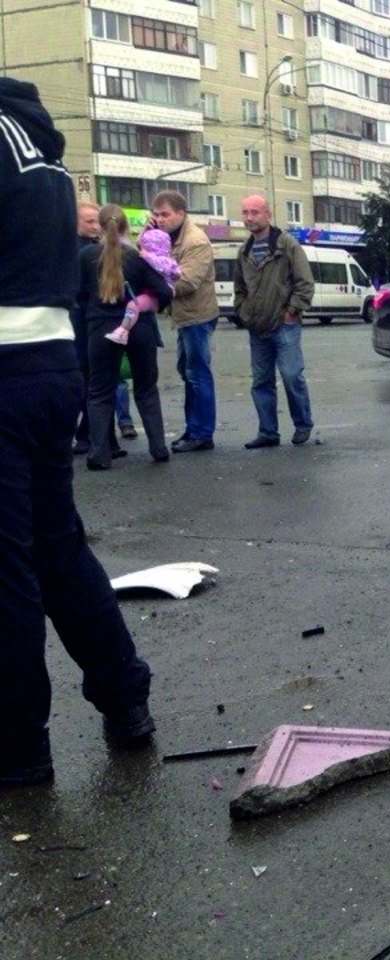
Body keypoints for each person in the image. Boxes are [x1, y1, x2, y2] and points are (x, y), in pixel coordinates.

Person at [0, 79, 155, 786]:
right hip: (51, 366)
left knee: (8, 569)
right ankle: (126, 699)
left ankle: (18, 746)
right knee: (57, 546)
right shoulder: (43, 151)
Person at [77, 205, 172, 469]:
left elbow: (78, 293)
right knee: (146, 388)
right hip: (139, 328)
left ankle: (99, 455)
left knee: (99, 392)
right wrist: (146, 303)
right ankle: (159, 448)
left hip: (101, 329)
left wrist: (93, 310)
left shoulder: (86, 256)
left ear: (100, 226)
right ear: (125, 227)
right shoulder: (137, 257)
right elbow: (164, 292)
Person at [234, 195, 315, 448]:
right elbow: (240, 288)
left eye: (255, 212)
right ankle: (268, 432)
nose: (249, 217)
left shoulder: (287, 245)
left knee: (291, 376)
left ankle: (303, 424)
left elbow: (305, 284)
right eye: (245, 212)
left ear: (268, 214)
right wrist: (244, 313)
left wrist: (291, 313)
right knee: (261, 382)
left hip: (283, 326)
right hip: (257, 328)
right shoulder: (244, 250)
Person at [150, 190, 217, 453]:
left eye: (165, 214)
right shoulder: (167, 236)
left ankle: (202, 434)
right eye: (156, 214)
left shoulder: (195, 241)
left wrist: (156, 290)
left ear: (181, 213)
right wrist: (148, 234)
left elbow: (188, 281)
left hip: (196, 316)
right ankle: (193, 429)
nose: (160, 219)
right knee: (188, 372)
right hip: (184, 316)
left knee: (197, 374)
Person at [106, 226, 180, 345]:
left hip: (153, 296)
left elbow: (163, 268)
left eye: (144, 247)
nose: (141, 251)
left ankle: (122, 331)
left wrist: (148, 256)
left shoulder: (164, 260)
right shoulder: (149, 258)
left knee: (133, 305)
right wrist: (144, 231)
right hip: (150, 293)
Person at [71, 202, 99, 455]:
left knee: (92, 380)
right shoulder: (70, 249)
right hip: (77, 324)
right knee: (81, 380)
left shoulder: (99, 247)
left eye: (97, 221)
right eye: (89, 221)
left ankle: (88, 434)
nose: (95, 226)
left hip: (93, 323)